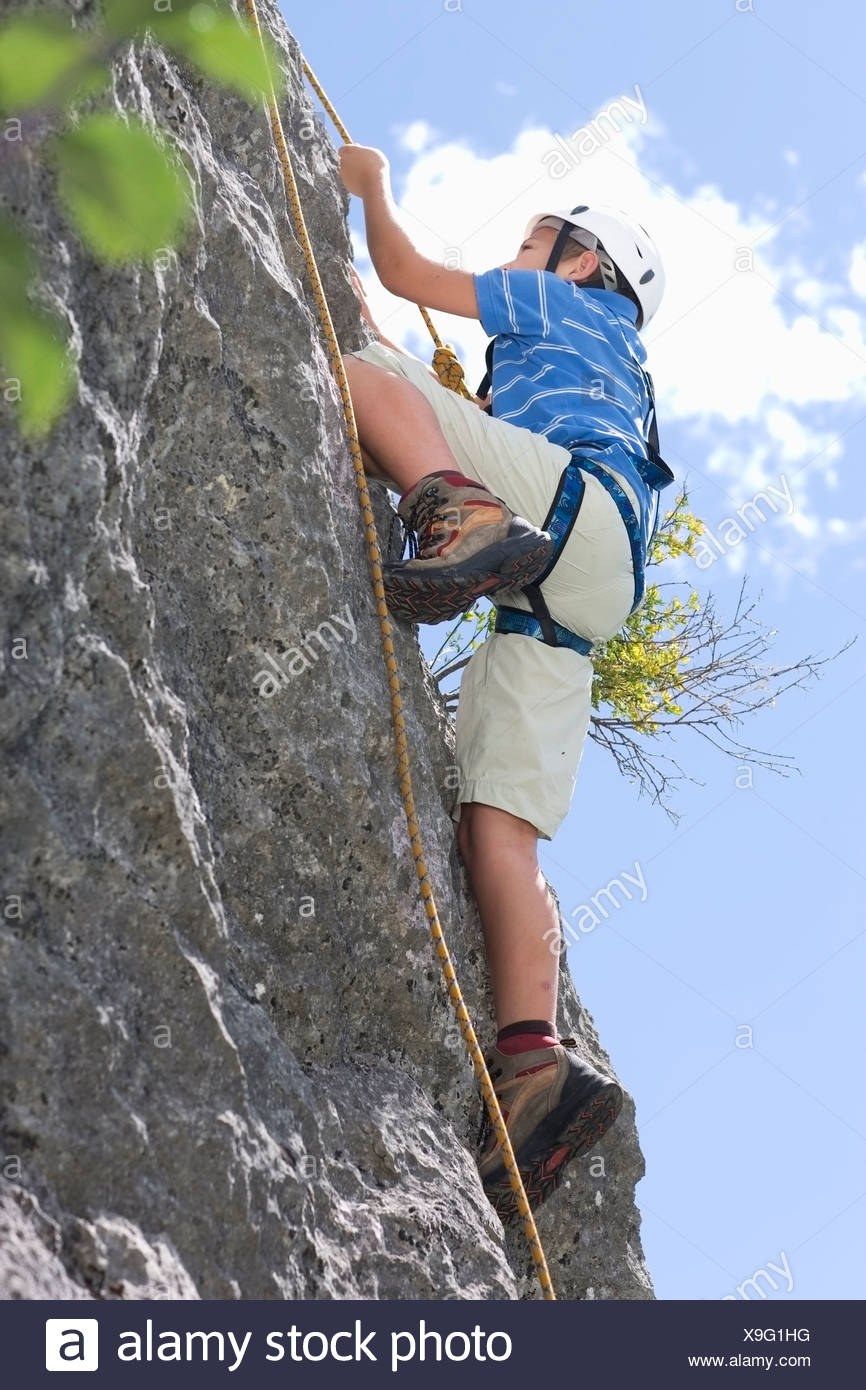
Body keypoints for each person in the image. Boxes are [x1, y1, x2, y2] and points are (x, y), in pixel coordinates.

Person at [337, 143, 673, 1222]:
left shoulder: (553, 304)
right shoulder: (610, 365)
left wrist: (366, 191)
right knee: (500, 821)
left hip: (559, 511)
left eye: (537, 238)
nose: (519, 253)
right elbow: (406, 357)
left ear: (579, 264)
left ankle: (459, 510)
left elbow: (401, 277)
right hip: (586, 579)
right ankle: (533, 1057)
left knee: (352, 383)